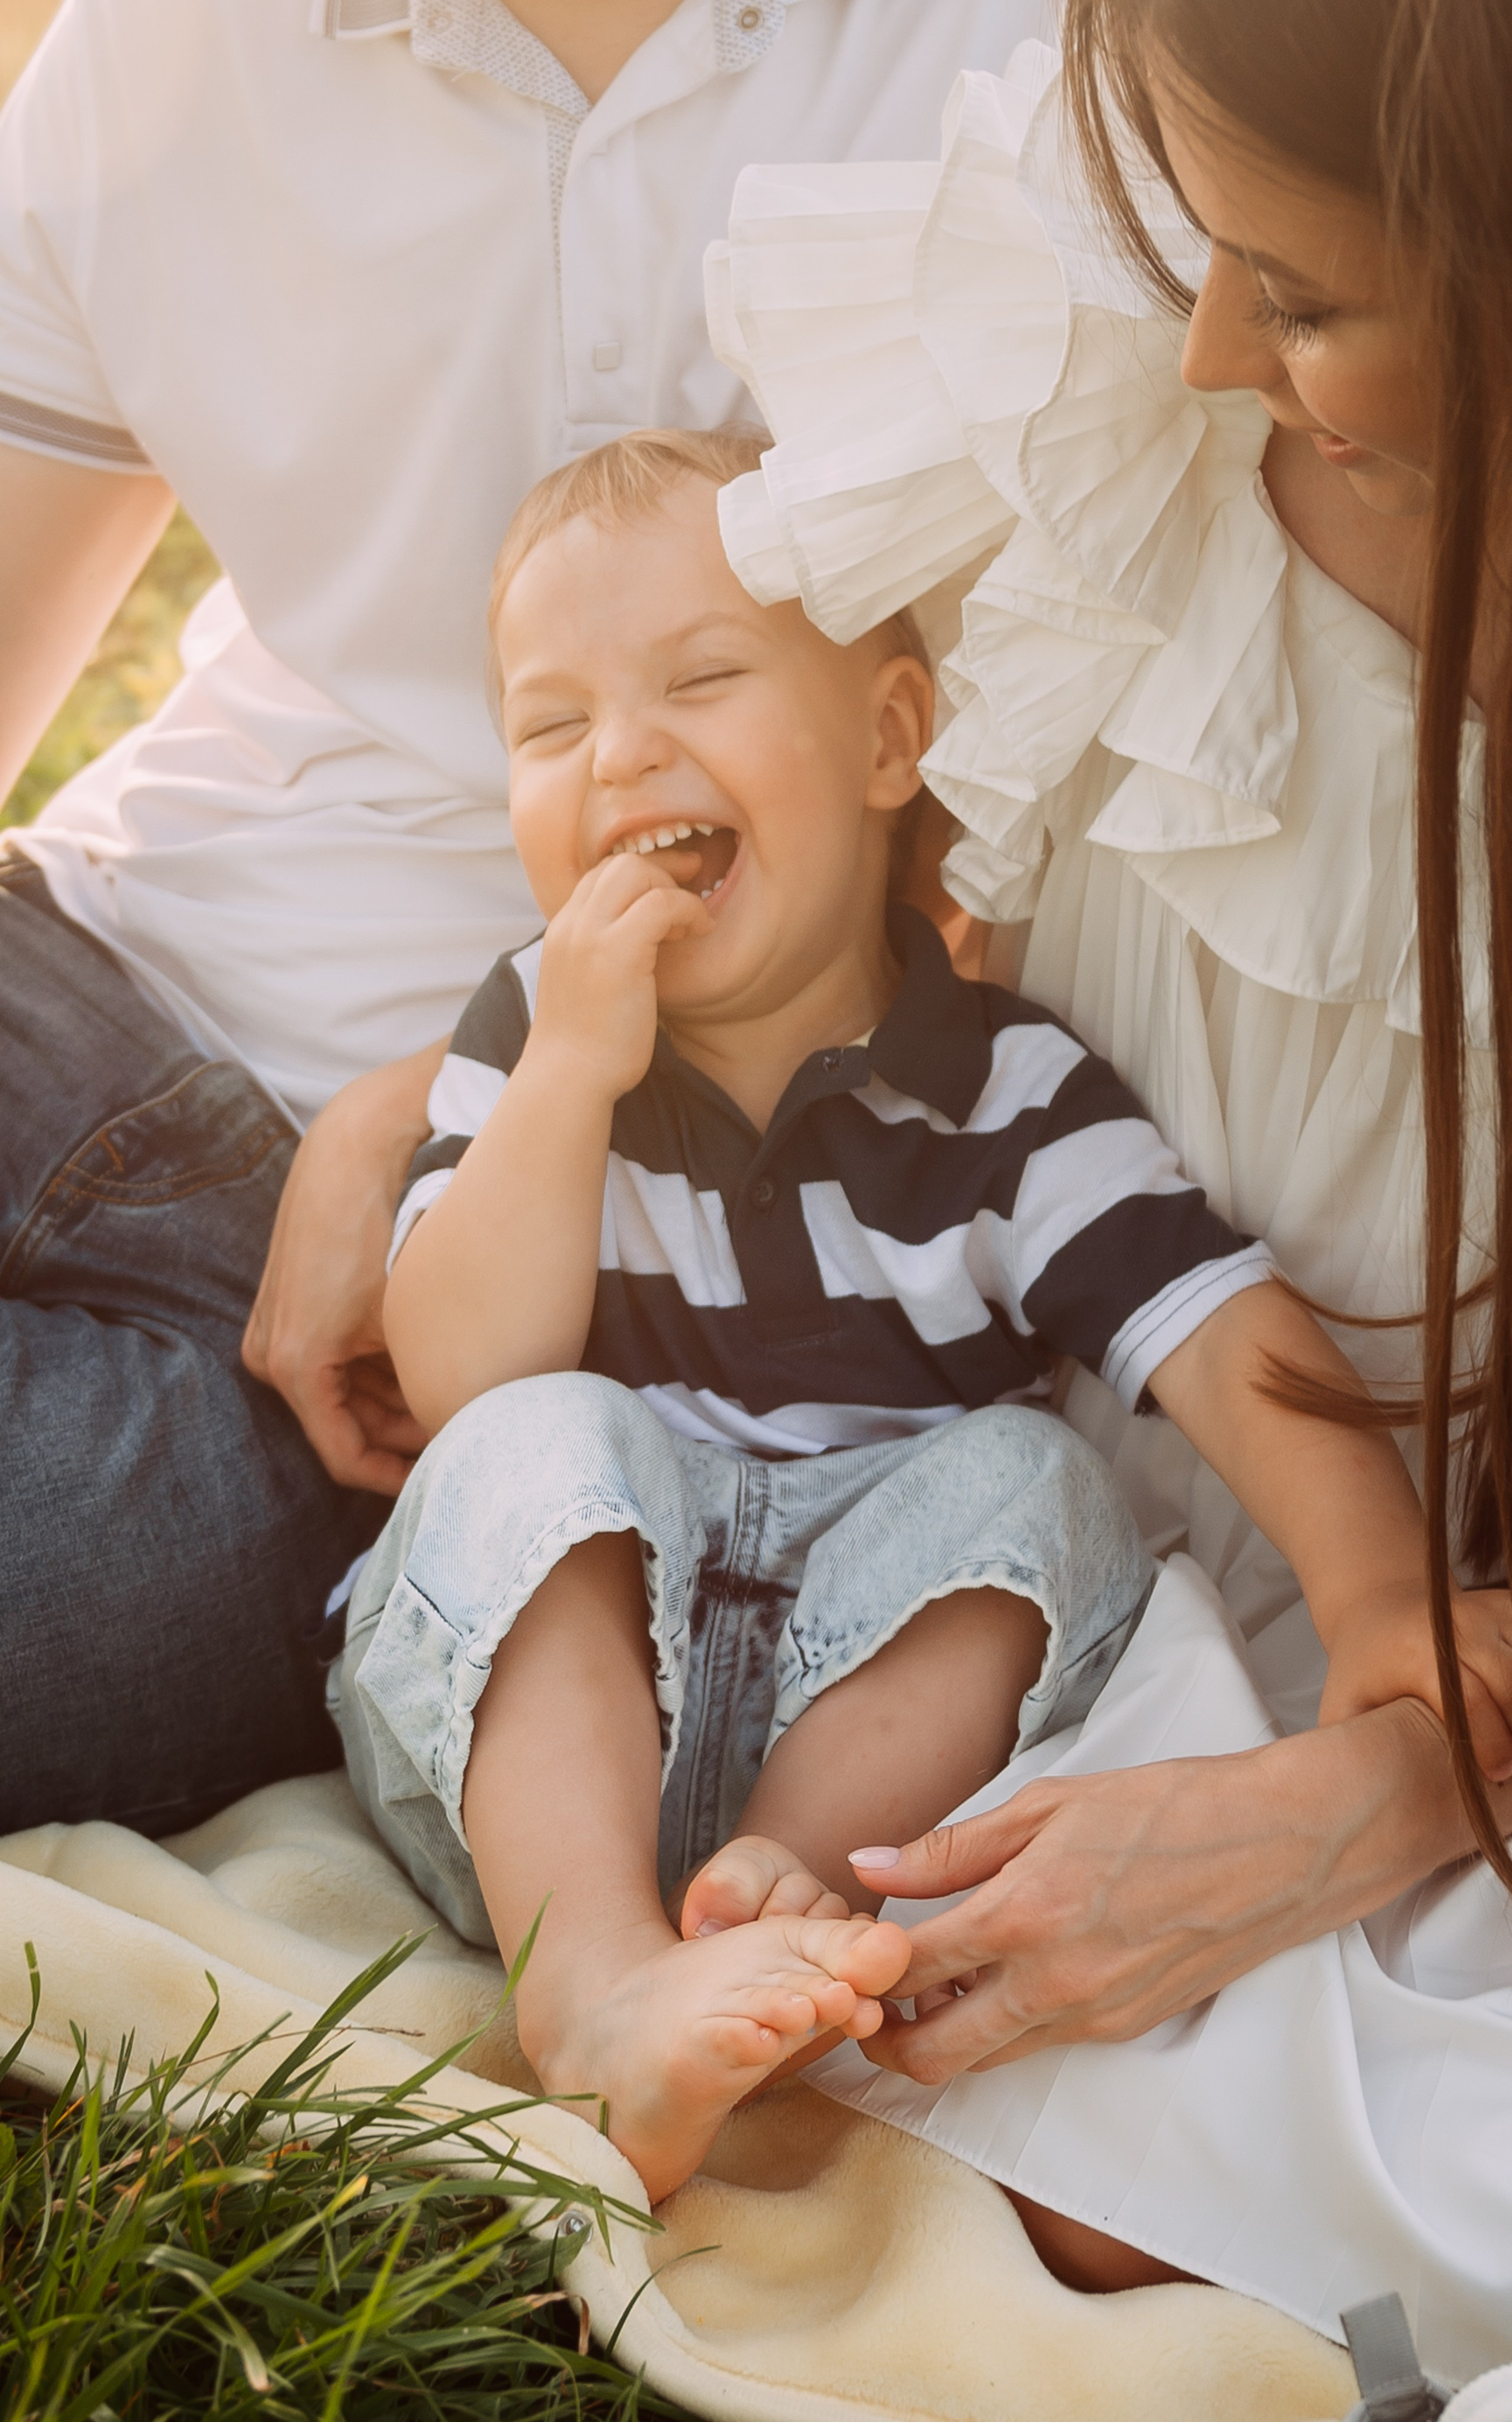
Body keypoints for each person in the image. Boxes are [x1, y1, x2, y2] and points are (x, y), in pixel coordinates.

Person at [693, 3, 1512, 2383]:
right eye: (1202, 249)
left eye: (1309, 298)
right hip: (1042, 1541)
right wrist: (446, 1097)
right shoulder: (1106, 369)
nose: (1212, 345)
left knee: (1231, 2165)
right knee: (967, 2069)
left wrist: (1378, 1789)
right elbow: (787, 877)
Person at [331, 424, 1512, 2202]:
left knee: (1031, 1482)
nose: (623, 754)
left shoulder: (1002, 1092)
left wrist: (1372, 1599)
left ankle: (772, 1915)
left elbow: (1212, 1331)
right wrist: (574, 1065)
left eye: (700, 681)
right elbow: (463, 1375)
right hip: (535, 1754)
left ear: (891, 740)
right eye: (552, 726)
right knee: (533, 1437)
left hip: (862, 1744)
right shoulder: (527, 1040)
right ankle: (589, 1986)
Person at [0, 0, 1048, 1835]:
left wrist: (438, 1090)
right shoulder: (155, 52)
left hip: (455, 1267)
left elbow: (1050, 872)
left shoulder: (1035, 62)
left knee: (79, 1626)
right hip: (81, 956)